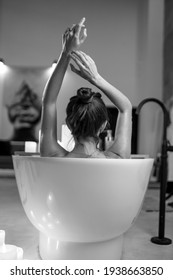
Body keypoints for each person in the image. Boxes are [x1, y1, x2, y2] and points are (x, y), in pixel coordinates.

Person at [40, 18, 132, 159]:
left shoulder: (52, 155)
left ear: (69, 125)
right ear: (103, 126)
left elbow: (48, 102)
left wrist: (66, 53)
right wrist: (96, 78)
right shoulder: (117, 158)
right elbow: (126, 107)